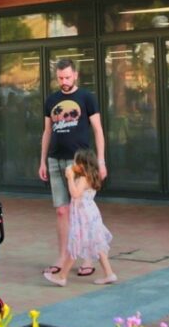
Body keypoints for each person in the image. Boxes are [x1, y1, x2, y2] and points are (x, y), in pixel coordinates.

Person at [38, 58, 107, 279]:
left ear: (75, 75)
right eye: (60, 78)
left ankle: (87, 258)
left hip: (79, 162)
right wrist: (42, 161)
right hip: (55, 160)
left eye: (67, 77)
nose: (64, 81)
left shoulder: (87, 98)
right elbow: (47, 131)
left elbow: (98, 130)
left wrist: (101, 161)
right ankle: (62, 257)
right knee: (61, 210)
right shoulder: (51, 100)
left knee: (82, 211)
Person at [44, 148, 116, 287]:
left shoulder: (83, 178)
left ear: (84, 164)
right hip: (91, 215)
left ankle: (62, 276)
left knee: (74, 245)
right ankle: (109, 273)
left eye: (77, 162)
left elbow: (75, 194)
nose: (74, 164)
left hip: (84, 217)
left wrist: (70, 178)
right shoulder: (90, 176)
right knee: (98, 245)